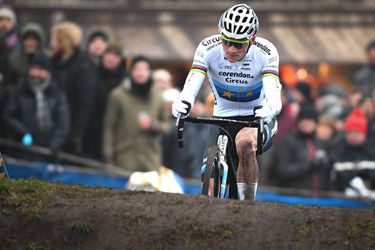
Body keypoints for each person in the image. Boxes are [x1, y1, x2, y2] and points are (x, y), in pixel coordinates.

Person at [172, 4, 282, 201]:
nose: (231, 49)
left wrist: (270, 108)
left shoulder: (266, 52)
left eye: (239, 44)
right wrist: (184, 99)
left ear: (252, 40)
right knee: (208, 184)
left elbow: (273, 93)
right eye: (226, 41)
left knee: (245, 143)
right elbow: (193, 80)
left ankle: (247, 205)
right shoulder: (208, 47)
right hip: (222, 115)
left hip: (256, 116)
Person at [103, 56, 170, 171]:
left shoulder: (158, 97)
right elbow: (109, 127)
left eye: (144, 69)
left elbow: (167, 127)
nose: (141, 73)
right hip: (124, 158)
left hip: (150, 160)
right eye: (137, 69)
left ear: (149, 73)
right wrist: (108, 156)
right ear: (131, 72)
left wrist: (153, 125)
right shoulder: (118, 95)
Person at [2, 53, 70, 160]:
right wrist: (23, 132)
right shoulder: (19, 90)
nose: (38, 73)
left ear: (48, 73)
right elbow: (8, 115)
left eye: (42, 70)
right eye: (35, 69)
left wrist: (54, 145)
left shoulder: (57, 94)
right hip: (21, 151)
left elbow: (62, 124)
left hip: (46, 153)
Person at [50, 21, 98, 156]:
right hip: (54, 125)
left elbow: (85, 103)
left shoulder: (83, 66)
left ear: (64, 40)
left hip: (72, 128)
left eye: (54, 39)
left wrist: (76, 134)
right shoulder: (54, 62)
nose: (51, 43)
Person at [270, 105, 331, 195]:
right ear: (298, 122)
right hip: (293, 197)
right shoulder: (287, 141)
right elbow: (282, 171)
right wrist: (309, 166)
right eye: (304, 120)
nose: (307, 124)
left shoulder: (320, 143)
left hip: (318, 198)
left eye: (310, 121)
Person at [331, 107, 375, 198]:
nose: (353, 135)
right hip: (342, 203)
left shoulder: (371, 152)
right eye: (350, 132)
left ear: (364, 134)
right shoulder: (338, 151)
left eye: (357, 132)